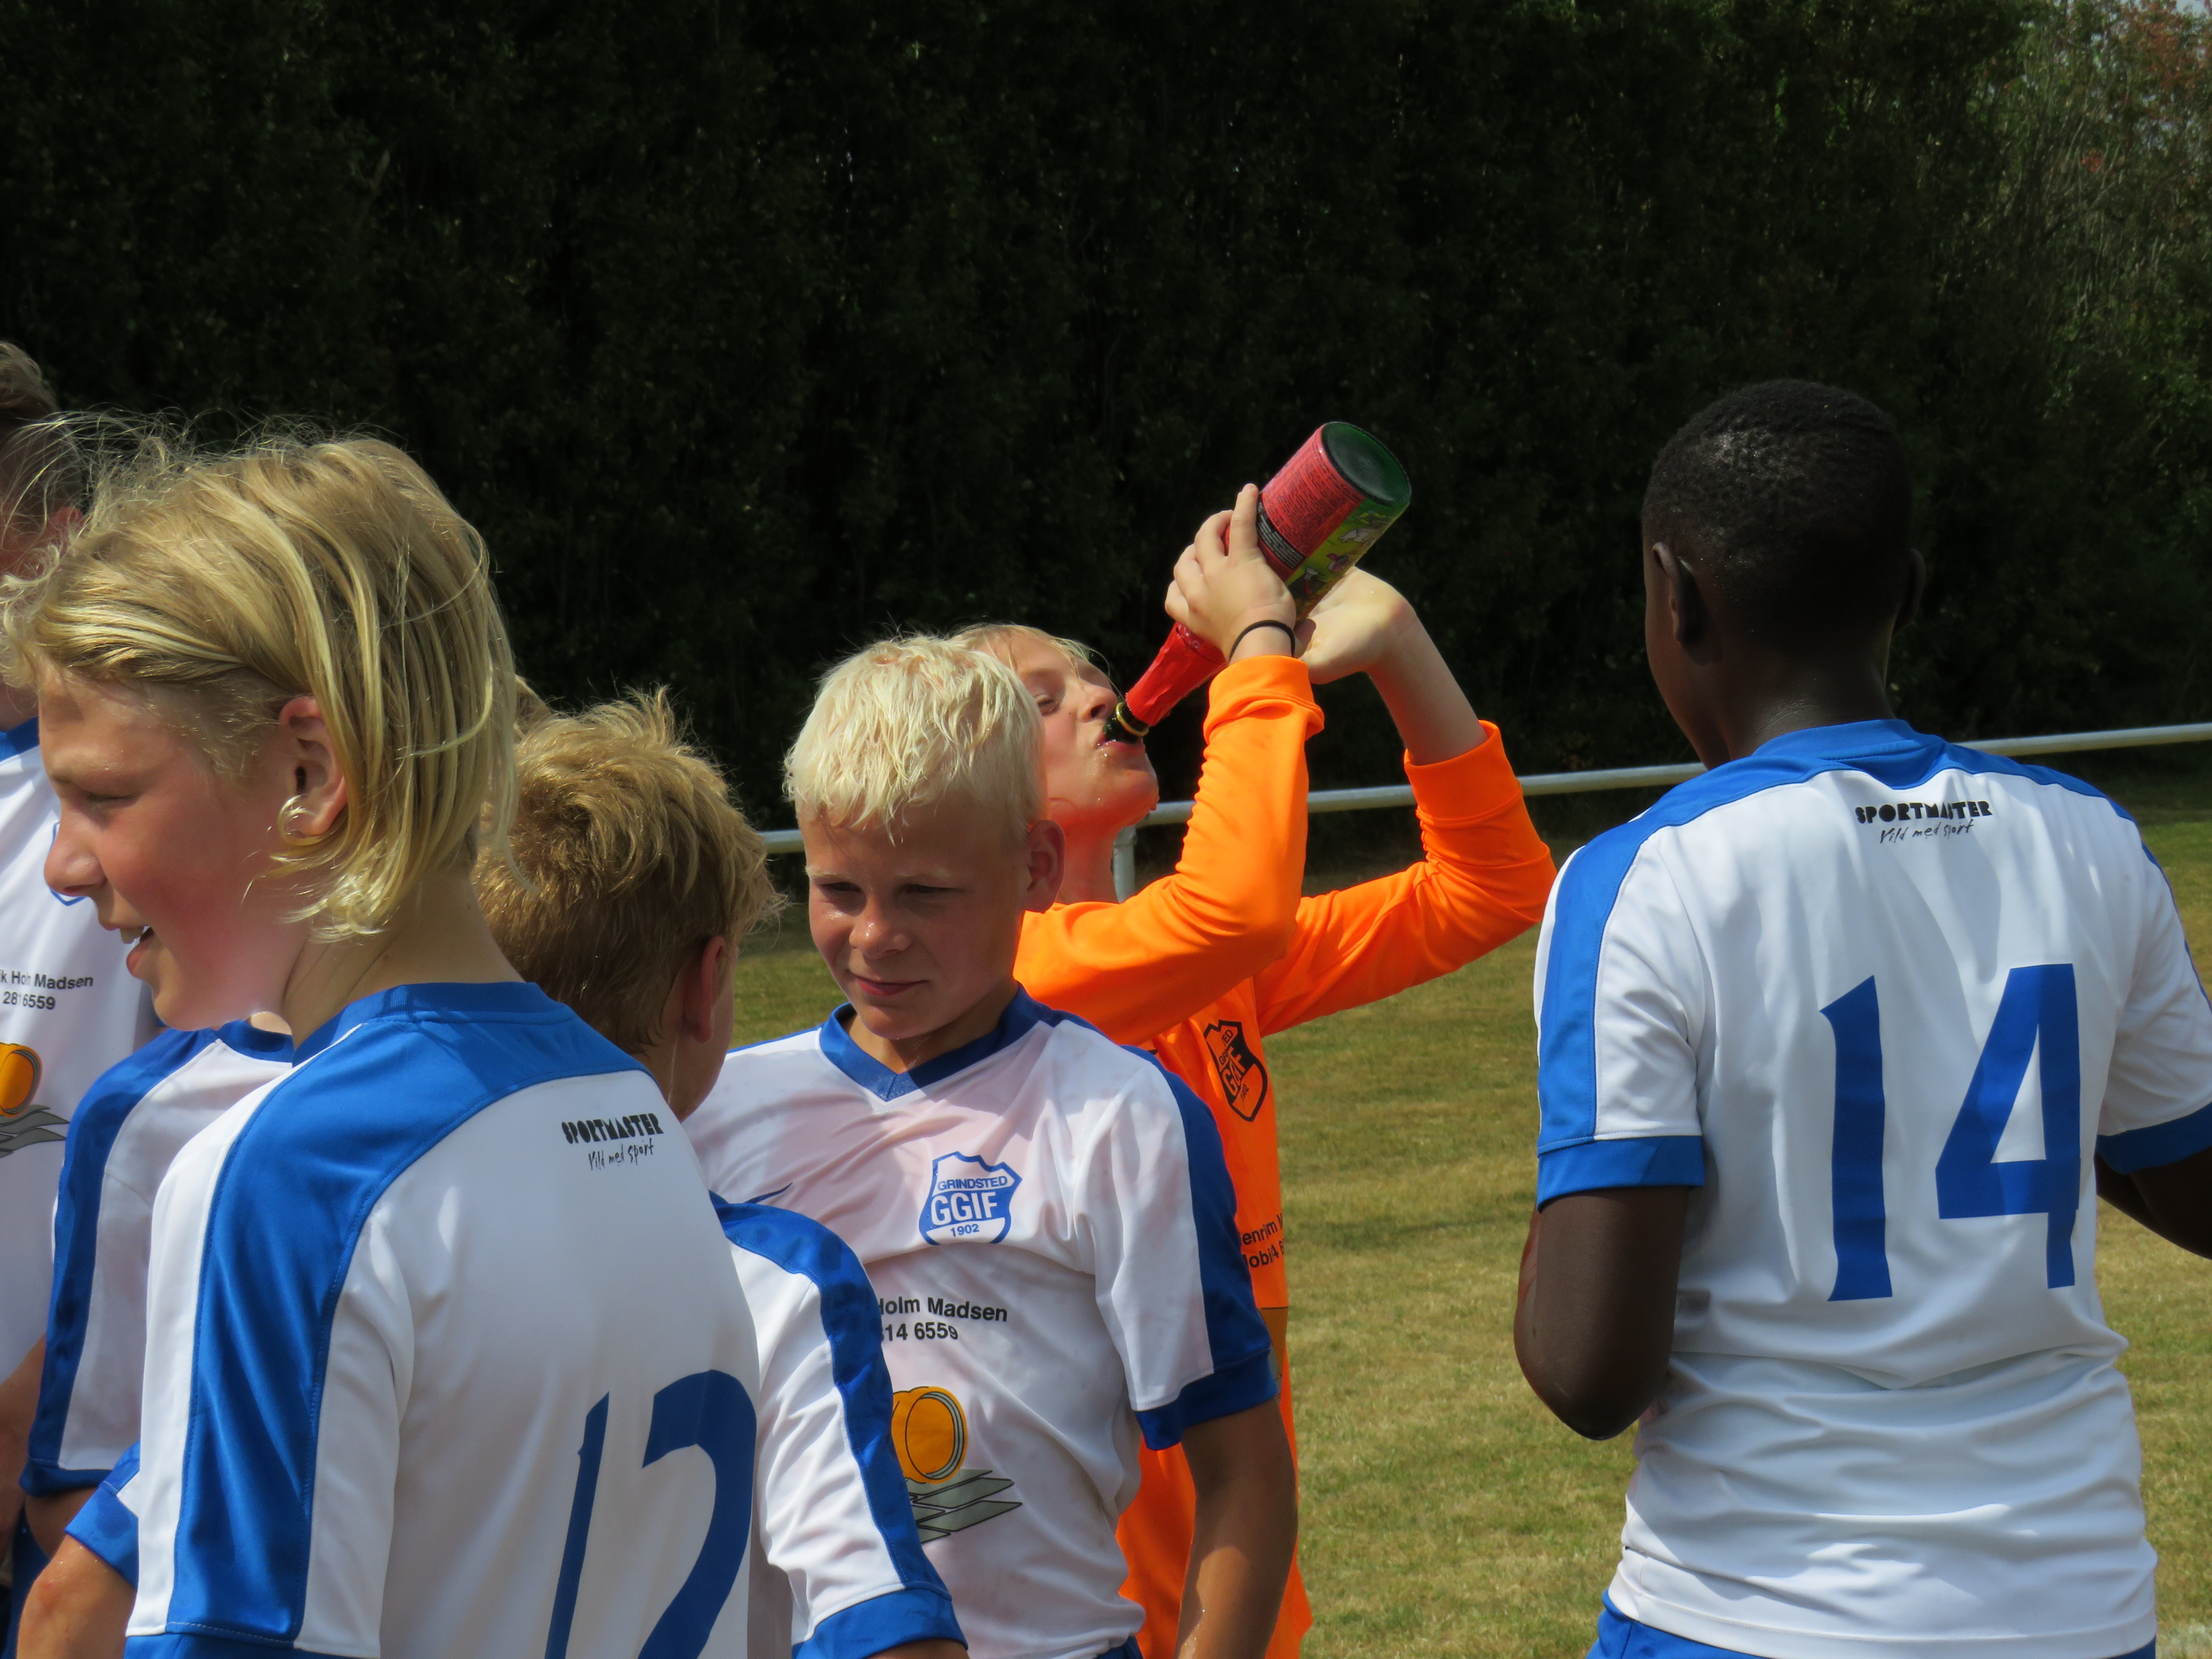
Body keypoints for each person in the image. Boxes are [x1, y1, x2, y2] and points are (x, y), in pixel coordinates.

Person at [2, 428, 763, 1657]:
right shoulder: (622, 1103)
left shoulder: (298, 1169)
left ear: (311, 772)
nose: (62, 865)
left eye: (104, 797)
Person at [26, 690, 963, 1659]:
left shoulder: (366, 1225)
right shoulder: (784, 1280)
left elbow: (68, 1608)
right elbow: (891, 1637)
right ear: (708, 980)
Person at [1514, 379, 2212, 1659]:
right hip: (2076, 1603)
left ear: (1676, 596)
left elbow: (1588, 1371)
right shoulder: (2092, 841)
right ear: (1911, 590)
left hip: (1755, 1607)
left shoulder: (1645, 879)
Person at [958, 486, 1554, 1657]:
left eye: (1091, 678)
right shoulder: (1014, 970)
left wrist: (1397, 647)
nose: (1095, 696)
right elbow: (1231, 906)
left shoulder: (1191, 969)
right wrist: (1259, 655)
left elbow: (1492, 889)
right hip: (1089, 1606)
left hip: (1234, 1580)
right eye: (1042, 701)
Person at [685, 637, 1297, 1659]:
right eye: (841, 890)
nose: (875, 936)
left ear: (1035, 866)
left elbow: (1244, 1473)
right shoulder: (716, 1111)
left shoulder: (1120, 1117)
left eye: (925, 893)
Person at [0, 348, 155, 1651]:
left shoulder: (142, 796)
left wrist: (23, 1421)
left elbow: (208, 1127)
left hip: (67, 1479)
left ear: (50, 533)